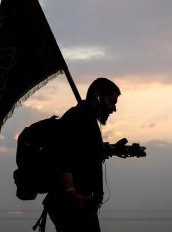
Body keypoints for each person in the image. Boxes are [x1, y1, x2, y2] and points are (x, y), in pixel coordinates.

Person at [45, 77, 121, 232]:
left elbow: (82, 152)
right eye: (111, 101)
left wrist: (112, 149)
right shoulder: (79, 116)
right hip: (72, 204)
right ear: (97, 96)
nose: (114, 108)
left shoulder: (88, 118)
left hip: (81, 204)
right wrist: (70, 192)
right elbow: (61, 155)